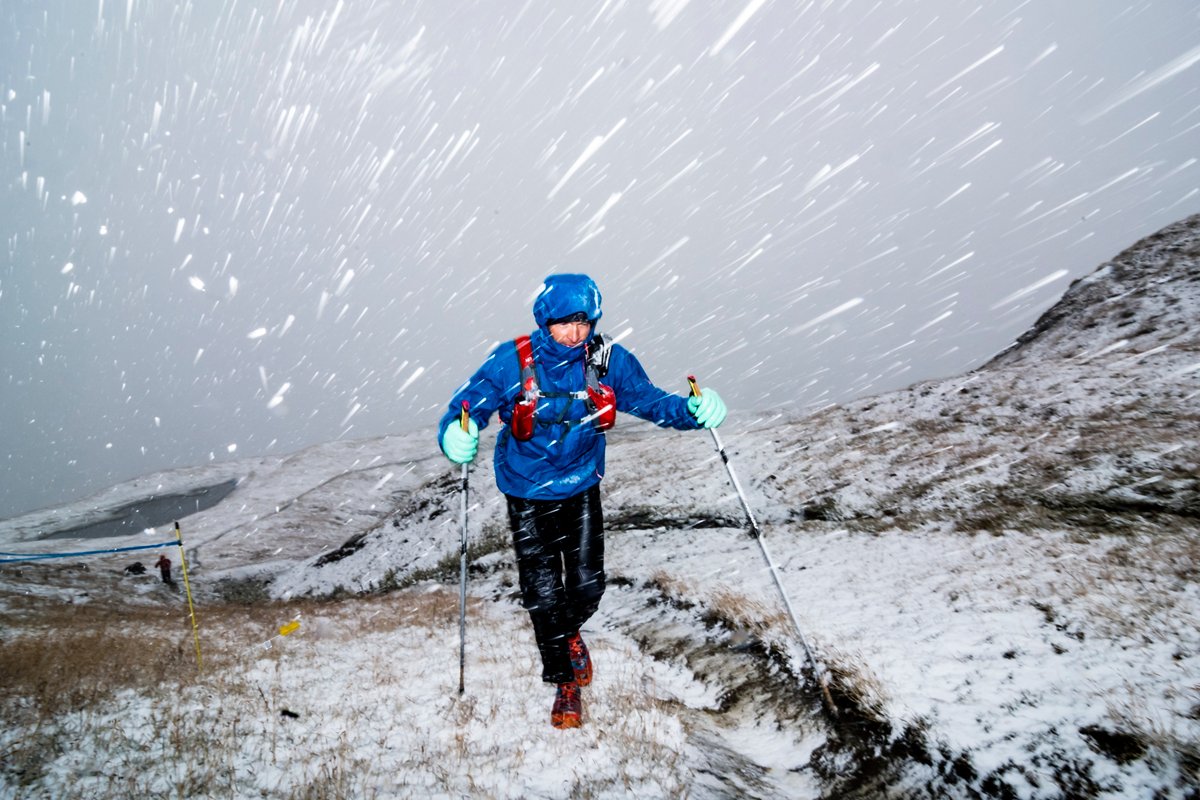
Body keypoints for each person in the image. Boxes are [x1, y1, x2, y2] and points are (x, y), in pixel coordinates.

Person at [437, 273, 727, 729]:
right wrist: (454, 432)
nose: (575, 334)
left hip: (581, 484)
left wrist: (691, 411)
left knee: (588, 584)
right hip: (527, 491)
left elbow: (648, 400)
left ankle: (568, 632)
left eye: (584, 323)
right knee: (542, 592)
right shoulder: (510, 361)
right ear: (544, 320)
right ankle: (564, 682)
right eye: (564, 324)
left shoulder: (605, 358)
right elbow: (465, 408)